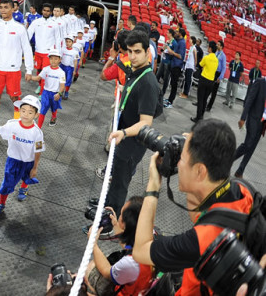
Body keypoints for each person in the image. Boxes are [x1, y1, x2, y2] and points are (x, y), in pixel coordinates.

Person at [133, 119, 255, 296]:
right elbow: (199, 212)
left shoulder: (200, 241)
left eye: (182, 158)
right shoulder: (242, 190)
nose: (179, 163)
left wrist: (153, 185)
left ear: (200, 171)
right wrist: (195, 147)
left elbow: (140, 249)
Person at [105, 30, 159, 215]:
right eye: (130, 51)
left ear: (147, 53)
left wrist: (124, 133)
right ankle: (107, 204)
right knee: (115, 177)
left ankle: (111, 218)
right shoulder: (136, 72)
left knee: (120, 182)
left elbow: (146, 123)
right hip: (123, 136)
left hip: (131, 143)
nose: (132, 56)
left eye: (137, 52)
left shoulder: (148, 83)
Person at [0, 0, 33, 139]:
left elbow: (27, 49)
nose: (3, 10)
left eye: (6, 7)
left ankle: (18, 129)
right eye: (1, 7)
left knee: (15, 98)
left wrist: (29, 69)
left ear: (12, 9)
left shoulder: (19, 28)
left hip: (13, 70)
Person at [0, 95, 45, 213]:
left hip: (29, 161)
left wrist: (35, 167)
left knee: (27, 176)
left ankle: (23, 188)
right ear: (19, 110)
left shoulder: (37, 132)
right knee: (7, 182)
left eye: (30, 112)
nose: (25, 114)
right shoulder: (12, 124)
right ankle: (1, 203)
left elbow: (38, 151)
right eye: (23, 111)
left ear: (36, 115)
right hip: (13, 161)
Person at [84, 196, 152, 296]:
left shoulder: (131, 262)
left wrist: (93, 244)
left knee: (89, 271)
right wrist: (116, 225)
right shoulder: (151, 234)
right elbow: (128, 247)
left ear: (125, 224)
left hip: (127, 291)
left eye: (121, 214)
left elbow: (107, 272)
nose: (119, 215)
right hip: (144, 285)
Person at [233, 77, 266, 177]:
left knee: (252, 148)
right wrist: (243, 118)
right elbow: (250, 99)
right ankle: (228, 160)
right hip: (253, 118)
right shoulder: (260, 82)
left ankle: (240, 171)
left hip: (263, 123)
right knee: (247, 144)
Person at [28, 3, 60, 95]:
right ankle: (40, 85)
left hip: (48, 53)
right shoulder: (36, 22)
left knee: (45, 73)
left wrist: (57, 54)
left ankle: (42, 93)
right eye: (44, 10)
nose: (46, 12)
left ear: (51, 12)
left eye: (48, 11)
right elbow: (28, 34)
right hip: (38, 52)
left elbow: (58, 39)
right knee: (38, 70)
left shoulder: (54, 24)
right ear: (42, 11)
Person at [31, 50, 66, 127]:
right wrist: (30, 77)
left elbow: (62, 86)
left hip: (55, 94)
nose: (53, 61)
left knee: (54, 108)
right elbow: (38, 78)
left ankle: (53, 117)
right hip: (46, 92)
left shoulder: (61, 72)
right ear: (49, 59)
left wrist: (59, 93)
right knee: (43, 110)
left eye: (56, 59)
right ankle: (38, 129)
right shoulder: (46, 69)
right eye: (51, 58)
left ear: (60, 60)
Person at [191, 41, 218, 123]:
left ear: (210, 48)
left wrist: (203, 67)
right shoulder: (216, 60)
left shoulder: (206, 57)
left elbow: (200, 65)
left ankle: (198, 117)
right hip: (211, 82)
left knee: (200, 99)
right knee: (205, 99)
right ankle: (201, 116)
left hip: (204, 80)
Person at [163, 28, 186, 109]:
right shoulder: (177, 40)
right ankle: (169, 99)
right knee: (172, 83)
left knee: (174, 84)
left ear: (180, 34)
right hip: (173, 64)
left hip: (177, 65)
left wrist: (172, 52)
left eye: (177, 32)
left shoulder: (182, 43)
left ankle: (171, 102)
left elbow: (180, 56)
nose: (175, 33)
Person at [205, 40, 226, 112]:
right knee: (208, 88)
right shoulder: (215, 53)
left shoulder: (223, 56)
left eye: (219, 44)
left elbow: (224, 68)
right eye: (217, 44)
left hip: (218, 73)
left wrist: (220, 77)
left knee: (214, 92)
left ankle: (209, 106)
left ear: (221, 47)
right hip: (212, 72)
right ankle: (203, 103)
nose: (217, 45)